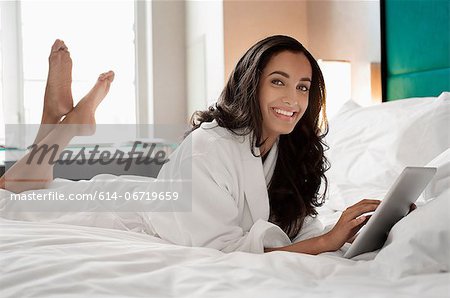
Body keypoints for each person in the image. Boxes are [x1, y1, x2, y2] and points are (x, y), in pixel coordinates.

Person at [0, 36, 413, 254]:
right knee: (11, 196)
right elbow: (226, 248)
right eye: (278, 82)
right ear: (251, 84)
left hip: (151, 200)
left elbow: (292, 226)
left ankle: (58, 123)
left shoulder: (286, 150)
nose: (293, 99)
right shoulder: (208, 146)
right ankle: (62, 125)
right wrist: (324, 243)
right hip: (124, 213)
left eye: (303, 87)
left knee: (27, 185)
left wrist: (361, 226)